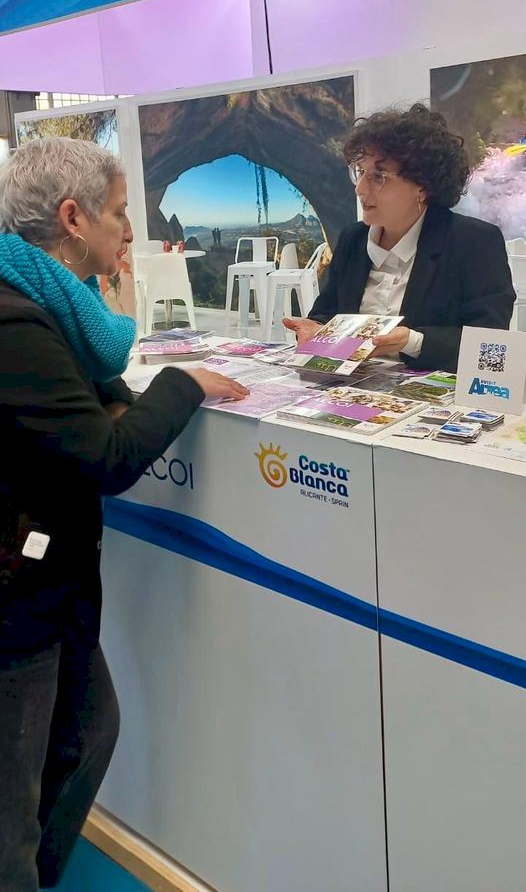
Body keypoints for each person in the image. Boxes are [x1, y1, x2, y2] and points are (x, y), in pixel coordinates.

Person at [0, 137, 249, 891]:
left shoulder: (48, 308)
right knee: (12, 808)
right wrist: (183, 385)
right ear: (72, 219)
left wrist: (114, 401)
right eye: (117, 212)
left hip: (50, 591)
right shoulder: (17, 323)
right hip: (17, 604)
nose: (131, 230)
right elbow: (106, 457)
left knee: (88, 730)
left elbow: (77, 400)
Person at [284, 104, 515, 372]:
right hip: (350, 386)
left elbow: (491, 343)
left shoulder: (473, 242)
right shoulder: (353, 240)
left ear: (422, 186)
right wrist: (315, 328)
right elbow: (326, 313)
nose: (360, 189)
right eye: (360, 172)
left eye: (379, 176)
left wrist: (412, 342)